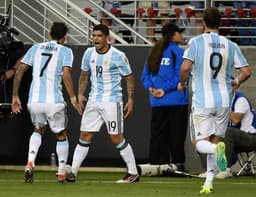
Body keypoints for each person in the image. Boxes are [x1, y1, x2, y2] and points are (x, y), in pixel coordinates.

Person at [178, 7, 251, 194]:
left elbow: (186, 67)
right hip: (224, 101)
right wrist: (236, 81)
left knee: (200, 143)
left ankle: (216, 149)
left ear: (203, 22)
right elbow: (246, 72)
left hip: (203, 100)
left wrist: (181, 82)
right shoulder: (230, 44)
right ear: (220, 23)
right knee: (214, 140)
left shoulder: (196, 42)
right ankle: (208, 183)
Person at [65, 24, 139, 183]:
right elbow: (84, 75)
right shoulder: (88, 53)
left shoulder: (118, 55)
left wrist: (131, 99)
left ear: (107, 38)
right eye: (94, 36)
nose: (96, 39)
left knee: (116, 138)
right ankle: (73, 172)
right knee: (85, 134)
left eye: (99, 36)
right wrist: (80, 94)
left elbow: (129, 77)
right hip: (93, 100)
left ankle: (133, 172)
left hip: (112, 101)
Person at [11, 22, 80, 183]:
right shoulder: (66, 51)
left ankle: (30, 163)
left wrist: (15, 95)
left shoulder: (36, 48)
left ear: (50, 33)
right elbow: (66, 74)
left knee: (38, 129)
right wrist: (73, 97)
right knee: (61, 134)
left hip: (34, 101)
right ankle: (62, 171)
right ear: (64, 37)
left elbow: (20, 71)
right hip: (54, 101)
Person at [139, 23, 189, 176]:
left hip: (157, 102)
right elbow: (180, 76)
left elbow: (144, 77)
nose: (182, 35)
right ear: (173, 35)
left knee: (158, 135)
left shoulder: (154, 52)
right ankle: (177, 166)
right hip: (176, 101)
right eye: (179, 33)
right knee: (177, 135)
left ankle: (156, 166)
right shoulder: (178, 52)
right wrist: (164, 90)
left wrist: (152, 89)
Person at [215, 91, 256, 178]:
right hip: (237, 139)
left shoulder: (240, 99)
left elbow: (235, 119)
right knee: (209, 134)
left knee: (227, 132)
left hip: (251, 137)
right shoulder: (223, 100)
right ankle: (211, 170)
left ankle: (225, 169)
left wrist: (223, 108)